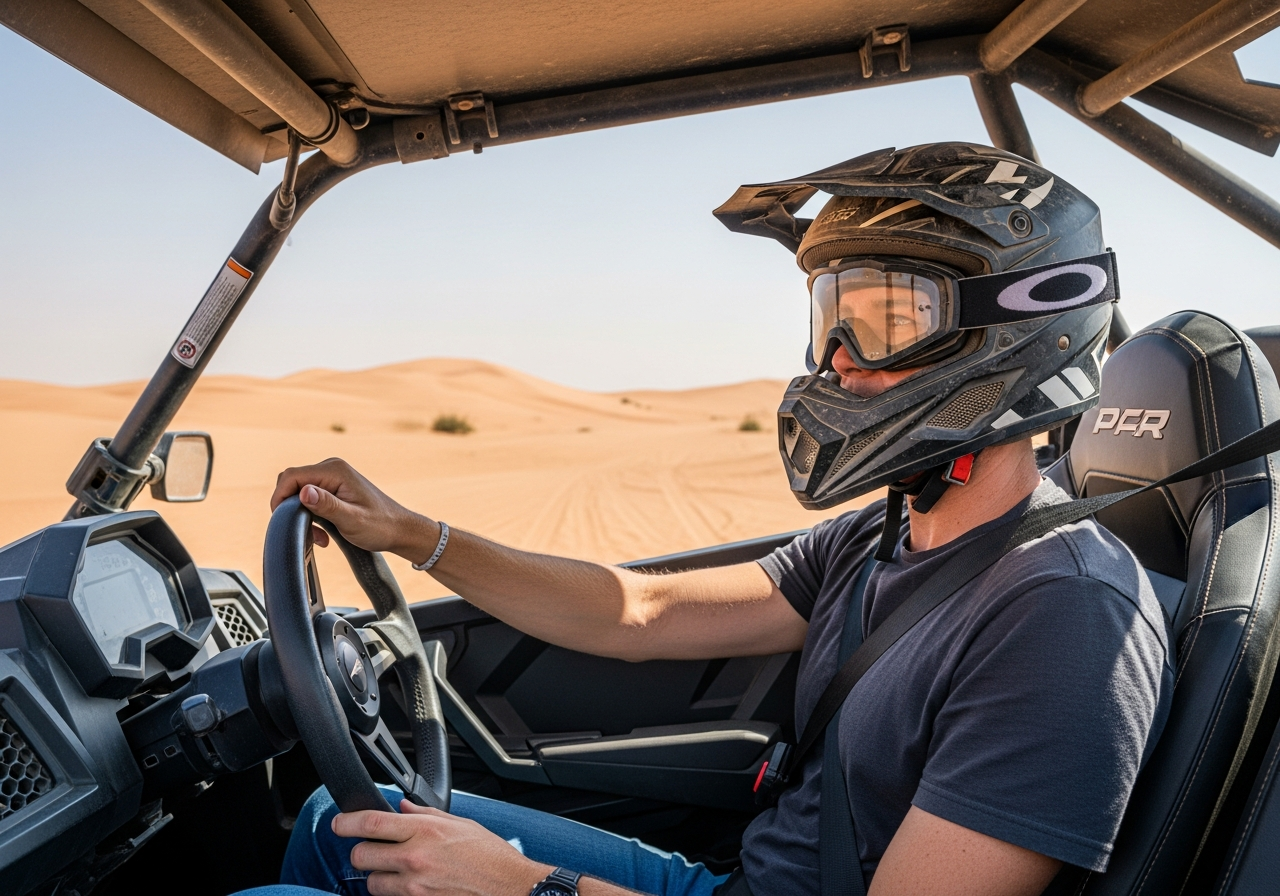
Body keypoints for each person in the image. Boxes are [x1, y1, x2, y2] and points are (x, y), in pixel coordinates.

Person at [243, 144, 1173, 896]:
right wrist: (414, 535)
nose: (838, 360)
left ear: (1010, 330)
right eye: (832, 317)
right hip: (732, 881)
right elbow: (641, 612)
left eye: (887, 320)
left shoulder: (1067, 619)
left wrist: (523, 888)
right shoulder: (880, 535)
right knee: (338, 820)